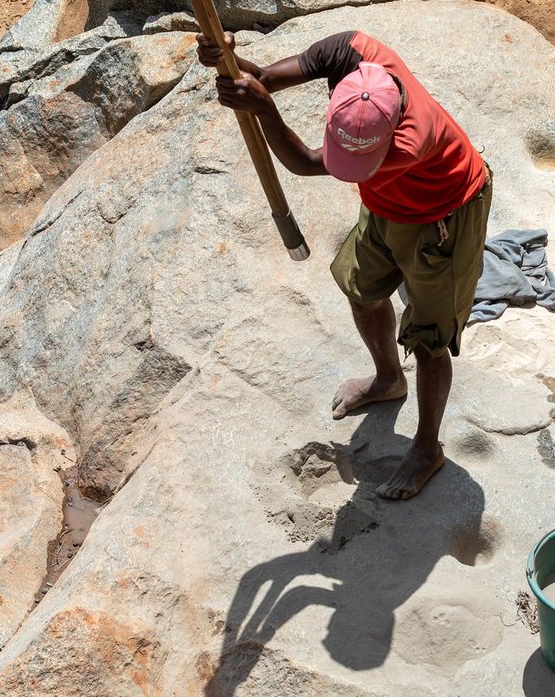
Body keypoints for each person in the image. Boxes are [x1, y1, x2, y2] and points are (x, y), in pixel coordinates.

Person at [197, 30, 491, 500]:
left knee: (430, 340)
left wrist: (264, 110)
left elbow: (303, 161)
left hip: (443, 216)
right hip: (385, 203)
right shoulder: (348, 51)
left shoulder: (412, 141)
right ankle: (389, 379)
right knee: (361, 289)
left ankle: (426, 447)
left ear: (389, 132)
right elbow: (264, 78)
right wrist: (231, 62)